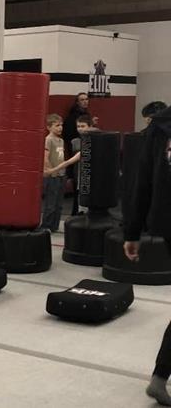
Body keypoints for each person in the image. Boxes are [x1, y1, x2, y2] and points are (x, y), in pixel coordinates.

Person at [123, 105, 171, 406]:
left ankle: (160, 376)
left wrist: (132, 232)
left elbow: (141, 182)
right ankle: (160, 375)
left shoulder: (158, 127)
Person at [63, 93, 97, 216]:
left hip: (86, 170)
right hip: (79, 169)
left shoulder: (87, 117)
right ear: (77, 102)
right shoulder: (72, 120)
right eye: (82, 100)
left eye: (86, 99)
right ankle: (76, 215)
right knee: (79, 195)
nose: (85, 101)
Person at [41, 114, 72, 232]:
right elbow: (45, 157)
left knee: (59, 204)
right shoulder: (48, 140)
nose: (60, 128)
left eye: (61, 125)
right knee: (51, 203)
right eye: (57, 125)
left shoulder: (61, 140)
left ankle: (54, 225)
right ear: (49, 127)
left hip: (61, 175)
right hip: (52, 176)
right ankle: (46, 226)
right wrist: (51, 171)